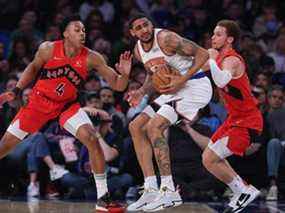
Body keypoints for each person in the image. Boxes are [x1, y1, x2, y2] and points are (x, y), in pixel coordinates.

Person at [0, 15, 132, 211]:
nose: (82, 33)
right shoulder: (48, 48)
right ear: (65, 34)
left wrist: (126, 75)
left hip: (66, 106)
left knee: (92, 139)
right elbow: (33, 67)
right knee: (4, 147)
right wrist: (17, 90)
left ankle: (103, 199)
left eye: (84, 30)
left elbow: (118, 86)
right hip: (39, 102)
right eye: (77, 30)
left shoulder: (92, 57)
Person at [126, 13, 212, 211]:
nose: (144, 30)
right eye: (138, 28)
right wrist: (141, 91)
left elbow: (203, 54)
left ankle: (169, 191)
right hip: (173, 90)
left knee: (155, 127)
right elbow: (153, 75)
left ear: (151, 24)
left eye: (145, 25)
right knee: (136, 126)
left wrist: (182, 79)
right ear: (132, 33)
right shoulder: (138, 51)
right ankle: (150, 189)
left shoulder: (166, 38)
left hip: (194, 85)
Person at [202, 20, 263, 213]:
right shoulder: (218, 58)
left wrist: (211, 59)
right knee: (207, 158)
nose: (213, 37)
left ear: (230, 39)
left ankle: (243, 190)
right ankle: (242, 190)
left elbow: (221, 78)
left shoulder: (232, 60)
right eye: (213, 33)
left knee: (211, 159)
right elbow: (194, 70)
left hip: (247, 121)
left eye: (218, 34)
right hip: (234, 119)